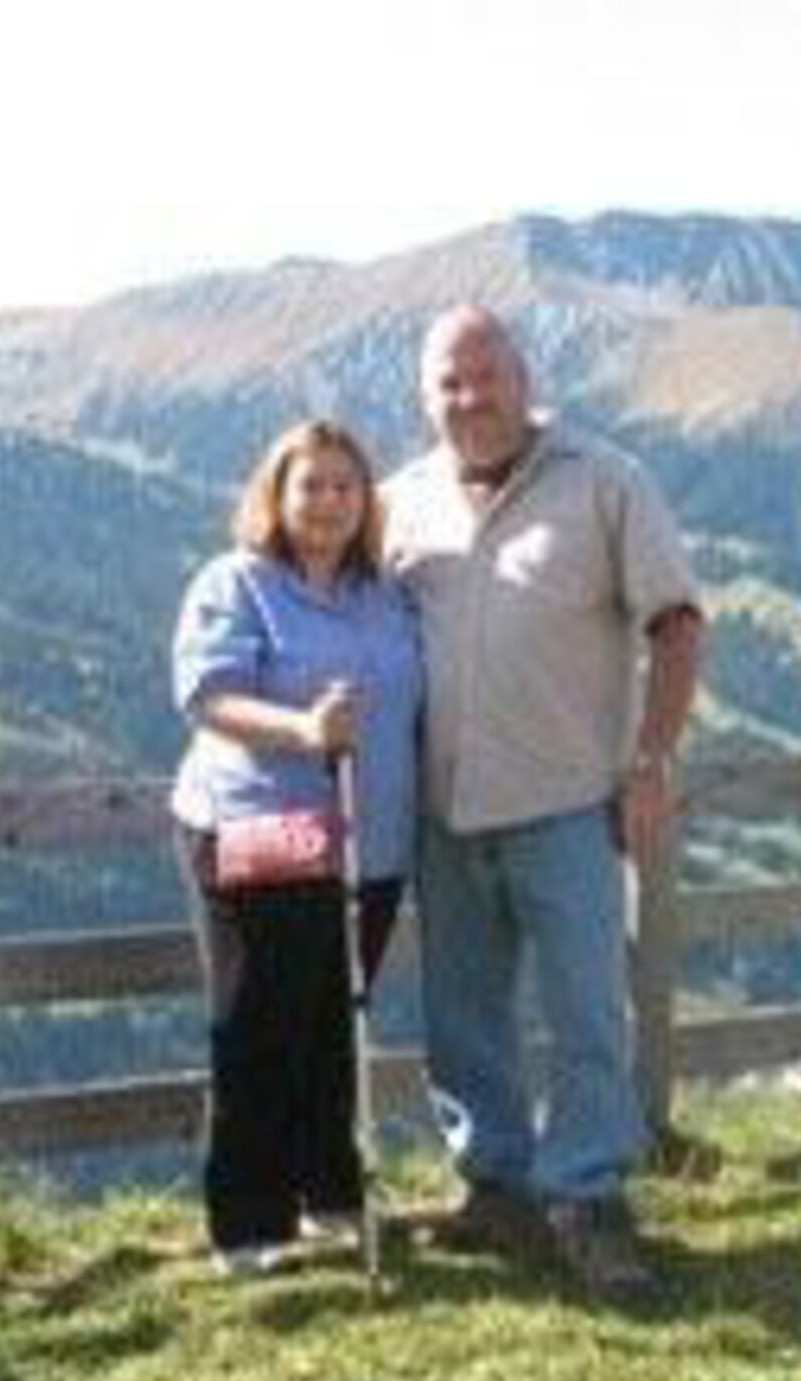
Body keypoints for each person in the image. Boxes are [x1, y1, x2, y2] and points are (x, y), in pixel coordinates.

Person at [384, 306, 703, 1297]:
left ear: (524, 379)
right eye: (449, 383)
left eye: (486, 376)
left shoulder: (604, 480)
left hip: (567, 800)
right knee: (462, 1016)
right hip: (443, 809)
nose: (469, 398)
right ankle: (496, 1188)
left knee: (585, 1013)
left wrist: (651, 759)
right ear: (424, 397)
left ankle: (588, 1200)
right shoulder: (399, 501)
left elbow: (677, 622)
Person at [171, 419, 422, 1276]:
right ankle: (249, 1221)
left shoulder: (383, 593)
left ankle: (331, 1191)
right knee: (259, 1022)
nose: (328, 502)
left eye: (345, 486)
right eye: (310, 484)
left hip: (369, 839)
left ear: (366, 499)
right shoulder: (236, 583)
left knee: (334, 1018)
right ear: (275, 495)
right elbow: (209, 696)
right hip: (262, 827)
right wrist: (304, 729)